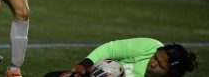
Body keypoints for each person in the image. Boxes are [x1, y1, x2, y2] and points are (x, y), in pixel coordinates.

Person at [44, 37, 199, 77]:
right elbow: (112, 48)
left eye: (160, 66)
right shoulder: (151, 46)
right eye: (155, 58)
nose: (153, 63)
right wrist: (82, 66)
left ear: (170, 74)